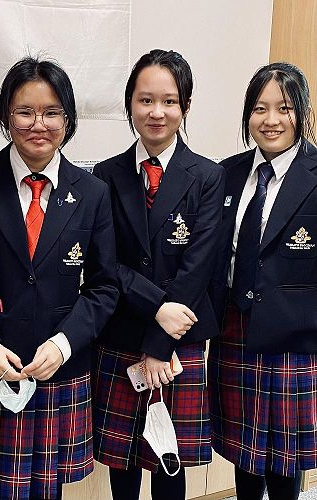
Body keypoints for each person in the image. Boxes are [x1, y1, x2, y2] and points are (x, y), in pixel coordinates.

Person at [0, 56, 118, 500]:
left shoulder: (92, 192)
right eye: (25, 112)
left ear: (68, 118)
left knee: (49, 489)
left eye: (51, 112)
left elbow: (104, 287)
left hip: (58, 366)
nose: (38, 124)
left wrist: (64, 344)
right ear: (6, 116)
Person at [91, 49, 225, 500]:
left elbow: (199, 266)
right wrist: (157, 310)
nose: (157, 112)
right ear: (129, 103)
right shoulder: (105, 176)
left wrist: (159, 342)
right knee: (122, 460)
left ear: (185, 106)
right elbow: (105, 262)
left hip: (180, 337)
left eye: (169, 101)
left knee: (170, 458)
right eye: (145, 100)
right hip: (123, 329)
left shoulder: (208, 176)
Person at [208, 62, 317, 500]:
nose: (271, 120)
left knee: (285, 461)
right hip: (235, 328)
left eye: (284, 108)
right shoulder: (227, 174)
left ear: (301, 112)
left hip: (294, 338)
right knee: (245, 453)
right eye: (259, 108)